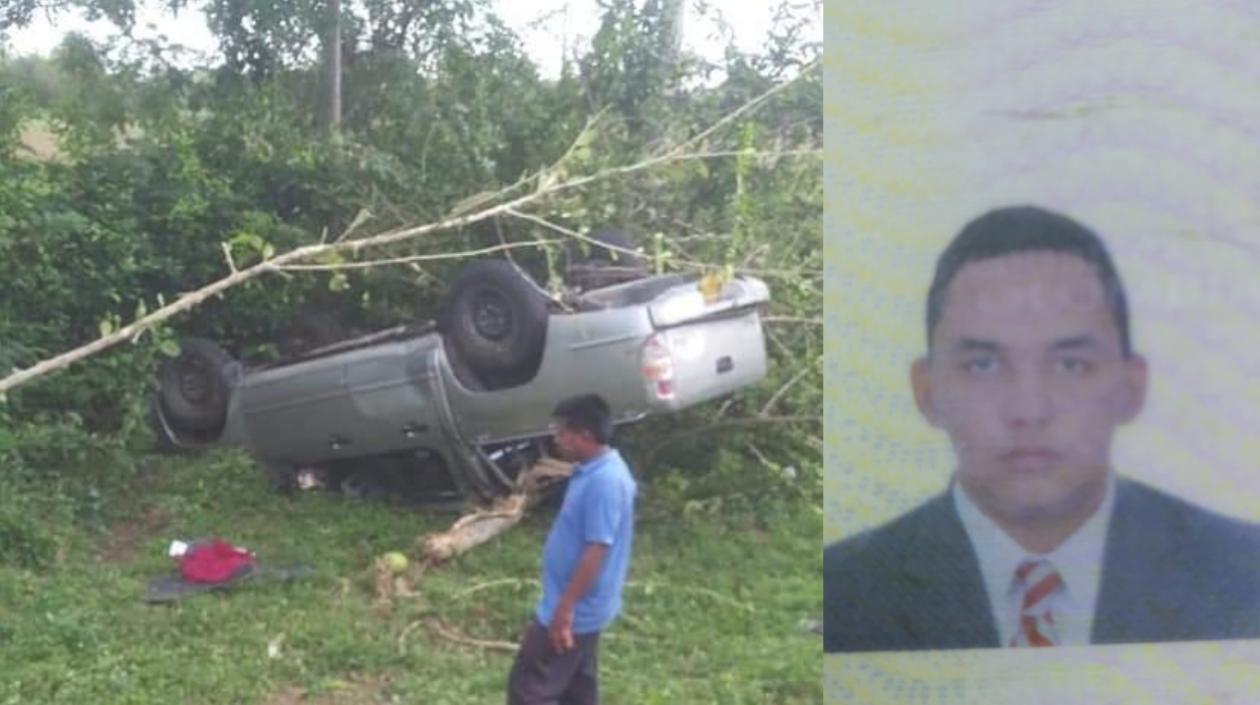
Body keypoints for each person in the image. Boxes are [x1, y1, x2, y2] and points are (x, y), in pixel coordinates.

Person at [824, 205, 1260, 653]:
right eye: (983, 365)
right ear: (927, 390)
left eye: (1071, 365)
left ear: (1132, 387)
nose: (1029, 410)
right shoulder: (842, 590)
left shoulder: (1245, 573)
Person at [507, 393, 637, 704]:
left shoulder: (605, 482)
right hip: (579, 606)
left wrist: (565, 611)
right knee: (577, 688)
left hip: (573, 610)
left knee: (529, 689)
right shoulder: (591, 470)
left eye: (562, 432)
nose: (556, 439)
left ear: (585, 435)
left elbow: (597, 549)